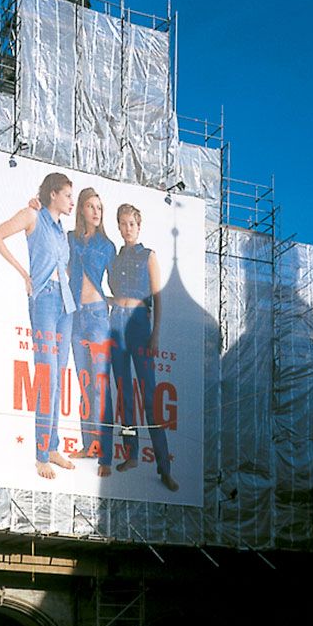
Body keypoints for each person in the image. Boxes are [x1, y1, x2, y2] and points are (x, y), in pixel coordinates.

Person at [0, 173, 78, 480]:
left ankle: (52, 446)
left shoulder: (61, 230)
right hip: (44, 301)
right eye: (67, 195)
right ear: (53, 194)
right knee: (46, 377)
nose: (71, 201)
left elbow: (62, 265)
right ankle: (41, 455)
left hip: (67, 305)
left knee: (58, 380)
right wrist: (23, 274)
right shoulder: (32, 215)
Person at [108, 203, 178, 491]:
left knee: (149, 397)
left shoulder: (149, 256)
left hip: (139, 324)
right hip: (117, 324)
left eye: (132, 224)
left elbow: (158, 297)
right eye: (123, 224)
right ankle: (131, 453)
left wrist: (156, 334)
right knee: (125, 395)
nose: (127, 229)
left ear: (139, 226)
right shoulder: (116, 257)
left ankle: (164, 467)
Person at [65, 188, 117, 476]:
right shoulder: (70, 240)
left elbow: (117, 282)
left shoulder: (107, 245)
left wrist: (114, 300)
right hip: (75, 316)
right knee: (85, 383)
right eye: (90, 206)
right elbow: (62, 270)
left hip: (97, 317)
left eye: (99, 207)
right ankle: (89, 445)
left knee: (100, 384)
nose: (96, 211)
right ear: (81, 210)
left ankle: (104, 451)